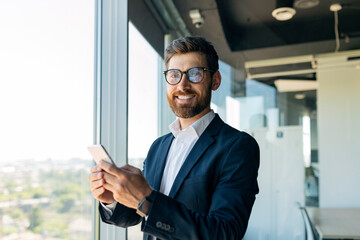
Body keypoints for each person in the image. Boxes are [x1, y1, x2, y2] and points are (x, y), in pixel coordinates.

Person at [88, 36, 260, 240]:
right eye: (174, 75)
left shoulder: (237, 146)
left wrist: (146, 199)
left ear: (215, 81)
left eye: (195, 74)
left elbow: (225, 232)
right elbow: (138, 214)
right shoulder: (158, 146)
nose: (182, 85)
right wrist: (112, 200)